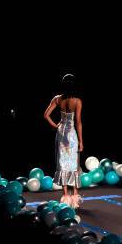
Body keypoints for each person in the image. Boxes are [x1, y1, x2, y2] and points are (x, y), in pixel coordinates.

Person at [44, 74, 84, 208]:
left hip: (61, 134)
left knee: (62, 164)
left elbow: (46, 115)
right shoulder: (77, 101)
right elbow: (78, 122)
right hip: (72, 135)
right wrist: (81, 141)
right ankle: (74, 197)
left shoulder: (57, 99)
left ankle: (66, 196)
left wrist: (56, 125)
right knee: (73, 164)